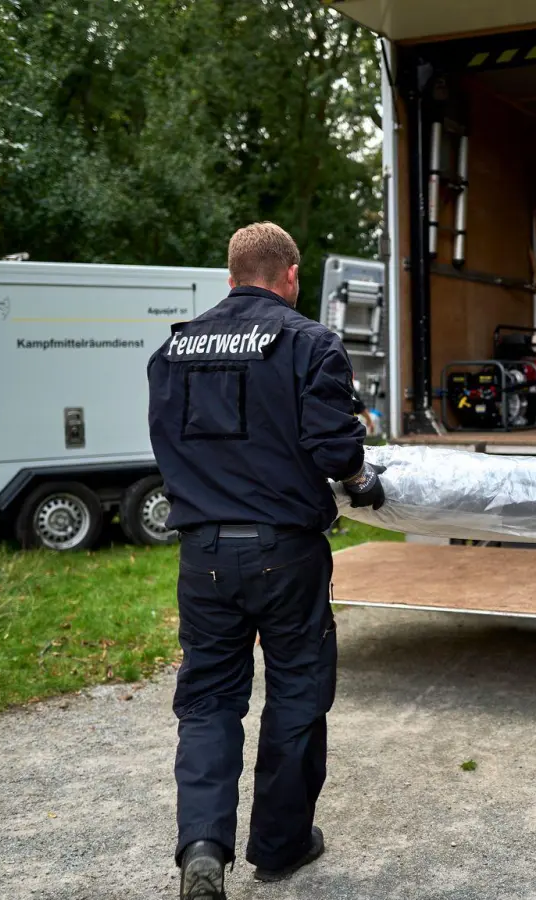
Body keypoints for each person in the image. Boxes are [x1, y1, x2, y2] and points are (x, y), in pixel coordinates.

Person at [146, 222, 384, 899]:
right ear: (292, 276)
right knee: (297, 692)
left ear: (230, 277)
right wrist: (361, 479)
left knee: (208, 701)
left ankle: (202, 846)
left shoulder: (172, 350)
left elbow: (164, 444)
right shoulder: (309, 342)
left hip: (203, 555)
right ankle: (281, 847)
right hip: (285, 551)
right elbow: (335, 446)